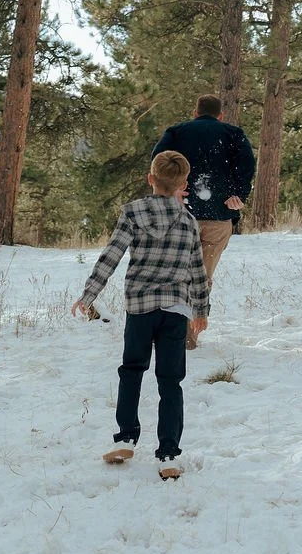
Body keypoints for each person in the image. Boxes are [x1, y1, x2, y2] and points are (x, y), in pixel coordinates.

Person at [71, 149, 208, 480]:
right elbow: (197, 270)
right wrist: (201, 310)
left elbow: (111, 256)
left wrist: (89, 295)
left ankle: (127, 437)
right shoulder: (188, 222)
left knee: (132, 370)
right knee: (170, 381)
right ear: (183, 184)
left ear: (151, 179)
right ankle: (169, 455)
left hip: (140, 309)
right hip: (175, 310)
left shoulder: (133, 212)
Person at [151, 93, 256, 347]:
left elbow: (158, 160)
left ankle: (168, 329)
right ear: (220, 115)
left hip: (181, 212)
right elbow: (247, 164)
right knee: (202, 277)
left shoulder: (177, 132)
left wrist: (172, 190)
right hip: (219, 217)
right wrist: (238, 195)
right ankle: (189, 334)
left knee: (175, 272)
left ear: (195, 112)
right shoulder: (233, 133)